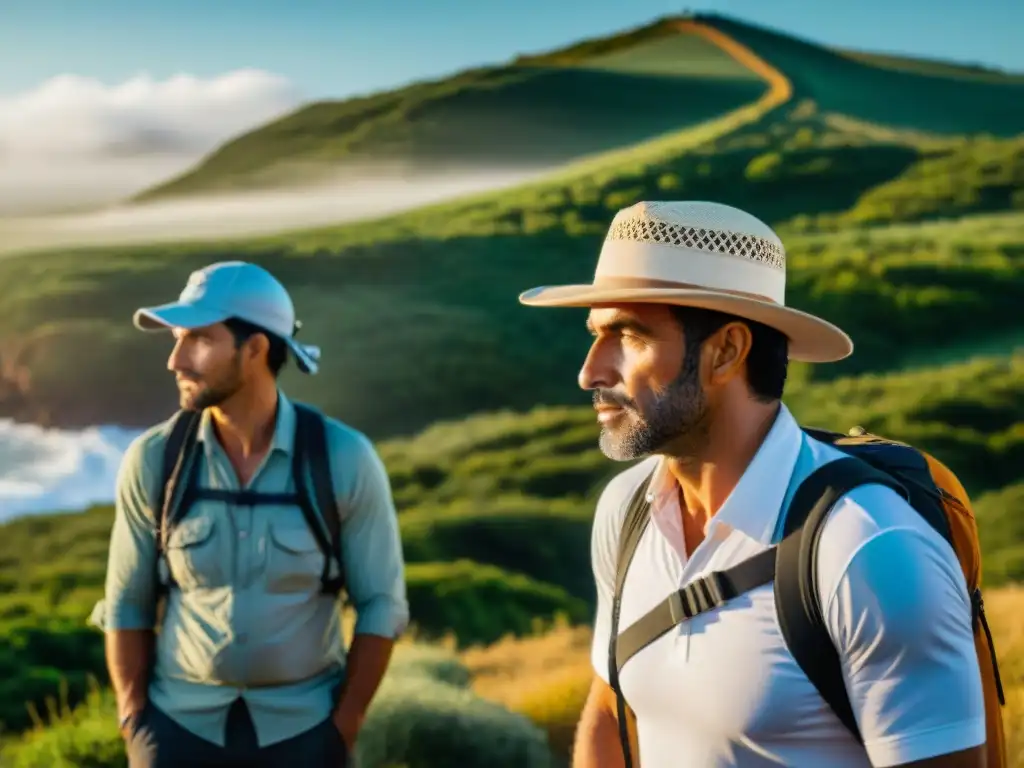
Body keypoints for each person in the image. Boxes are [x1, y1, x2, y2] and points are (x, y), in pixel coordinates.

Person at [518, 201, 987, 767]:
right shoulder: (627, 511)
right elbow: (611, 712)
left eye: (628, 335)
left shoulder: (869, 550)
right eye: (596, 334)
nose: (590, 371)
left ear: (727, 352)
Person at [97, 260, 409, 767]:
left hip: (304, 730)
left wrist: (343, 728)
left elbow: (381, 605)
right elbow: (125, 603)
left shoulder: (343, 458)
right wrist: (134, 722)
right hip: (177, 727)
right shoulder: (154, 460)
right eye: (177, 338)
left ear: (257, 347)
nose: (176, 360)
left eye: (199, 339)